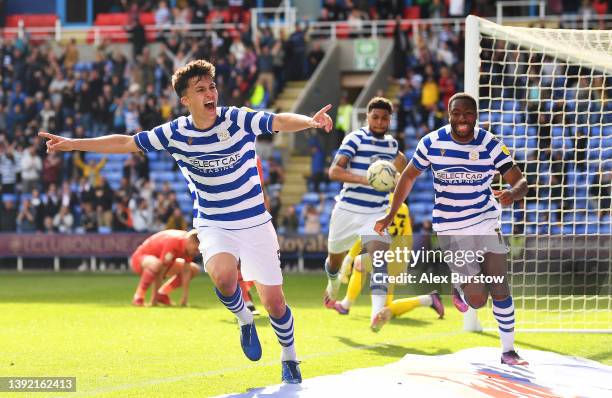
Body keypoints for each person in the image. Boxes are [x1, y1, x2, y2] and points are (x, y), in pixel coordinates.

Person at [39, 59, 333, 384]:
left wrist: (310, 121)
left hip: (254, 222)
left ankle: (289, 356)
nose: (210, 94)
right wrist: (73, 144)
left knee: (275, 303)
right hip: (213, 222)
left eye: (212, 87)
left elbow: (277, 120)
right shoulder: (175, 132)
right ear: (185, 100)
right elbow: (126, 142)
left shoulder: (236, 119)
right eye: (201, 90)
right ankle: (244, 318)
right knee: (222, 277)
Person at [374, 92, 529, 366]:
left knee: (500, 286)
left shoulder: (490, 143)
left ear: (476, 116)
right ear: (449, 115)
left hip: (485, 221)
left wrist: (511, 194)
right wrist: (390, 213)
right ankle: (460, 285)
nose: (462, 119)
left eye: (468, 114)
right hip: (451, 227)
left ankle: (508, 351)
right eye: (456, 114)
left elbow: (519, 180)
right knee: (478, 299)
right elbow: (409, 176)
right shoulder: (432, 142)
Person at [323, 97, 407, 330]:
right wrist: (369, 179)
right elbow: (334, 171)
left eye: (385, 118)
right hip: (348, 210)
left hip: (376, 212)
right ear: (367, 117)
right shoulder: (354, 138)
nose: (380, 122)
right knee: (334, 262)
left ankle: (377, 314)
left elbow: (403, 165)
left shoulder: (391, 145)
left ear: (390, 119)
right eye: (375, 117)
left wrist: (397, 178)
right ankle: (333, 284)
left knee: (380, 259)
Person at [335, 194, 444, 331]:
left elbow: (364, 234)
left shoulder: (378, 204)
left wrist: (349, 257)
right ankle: (428, 299)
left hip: (384, 254)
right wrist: (403, 262)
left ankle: (346, 305)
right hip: (396, 257)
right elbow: (408, 237)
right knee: (385, 308)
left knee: (359, 263)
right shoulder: (403, 207)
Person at [129, 229, 200, 307]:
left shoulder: (187, 243)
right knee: (157, 265)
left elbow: (186, 270)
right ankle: (138, 297)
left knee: (194, 269)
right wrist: (154, 299)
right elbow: (160, 272)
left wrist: (185, 297)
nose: (197, 253)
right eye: (196, 249)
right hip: (139, 259)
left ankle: (162, 294)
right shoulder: (174, 241)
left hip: (160, 263)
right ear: (191, 241)